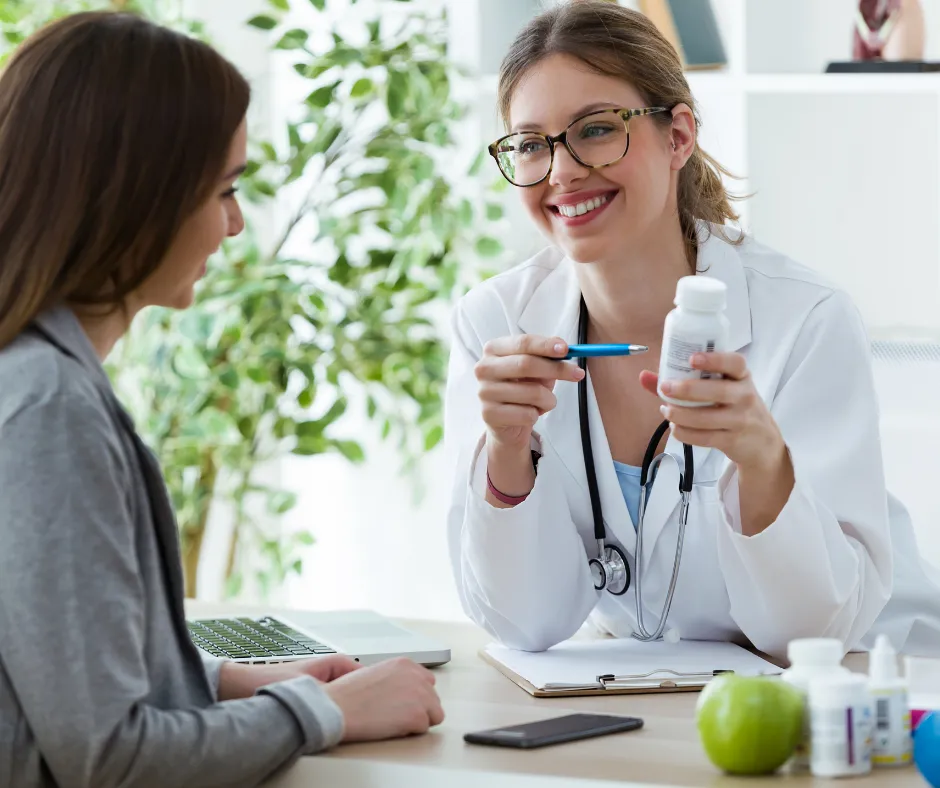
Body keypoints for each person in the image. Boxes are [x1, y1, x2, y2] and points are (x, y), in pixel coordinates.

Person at [0, 13, 443, 788]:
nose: (234, 225)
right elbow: (109, 758)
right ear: (136, 198)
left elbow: (55, 666)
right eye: (225, 190)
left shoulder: (41, 377)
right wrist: (324, 712)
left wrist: (226, 682)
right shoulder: (47, 407)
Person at [444, 0, 940, 660]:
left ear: (678, 136)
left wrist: (760, 459)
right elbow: (524, 625)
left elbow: (812, 633)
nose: (561, 171)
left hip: (863, 687)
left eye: (595, 130)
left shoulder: (806, 321)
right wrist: (507, 454)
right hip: (655, 697)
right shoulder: (494, 325)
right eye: (532, 144)